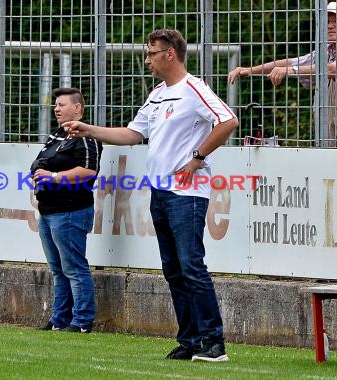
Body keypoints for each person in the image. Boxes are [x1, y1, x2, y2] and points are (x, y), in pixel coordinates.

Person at [63, 29, 238, 362]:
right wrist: (90, 129)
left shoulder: (194, 89)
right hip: (160, 192)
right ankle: (189, 341)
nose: (147, 60)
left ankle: (214, 342)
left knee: (191, 264)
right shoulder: (158, 94)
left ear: (169, 54)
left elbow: (228, 121)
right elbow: (132, 134)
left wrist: (197, 158)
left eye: (152, 53)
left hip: (186, 195)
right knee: (173, 269)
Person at [227, 2, 337, 148]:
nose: (330, 25)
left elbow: (330, 70)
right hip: (331, 142)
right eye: (327, 21)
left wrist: (290, 71)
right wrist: (250, 70)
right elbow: (292, 62)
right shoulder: (328, 50)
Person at [32, 87, 102, 334]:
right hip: (48, 211)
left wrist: (53, 176)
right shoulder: (56, 136)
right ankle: (59, 319)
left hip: (71, 211)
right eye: (56, 105)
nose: (56, 109)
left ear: (78, 108)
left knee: (74, 267)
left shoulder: (87, 138)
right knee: (58, 269)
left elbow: (89, 172)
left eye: (62, 104)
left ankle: (82, 321)